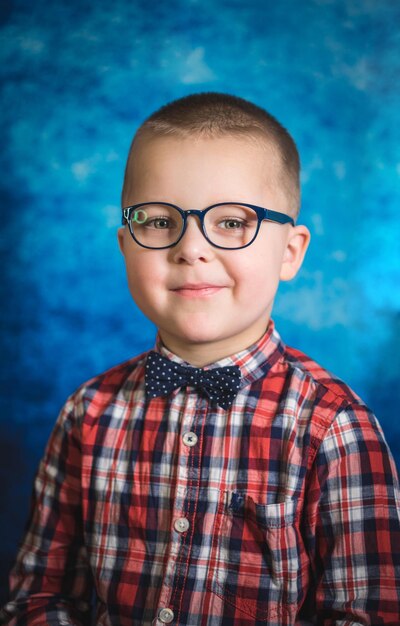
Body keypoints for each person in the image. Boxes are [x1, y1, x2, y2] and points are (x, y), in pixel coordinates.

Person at [1, 92, 399, 626]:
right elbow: (39, 598)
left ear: (290, 252)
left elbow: (368, 614)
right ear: (125, 245)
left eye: (234, 222)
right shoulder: (87, 413)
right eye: (160, 221)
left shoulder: (335, 428)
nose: (191, 247)